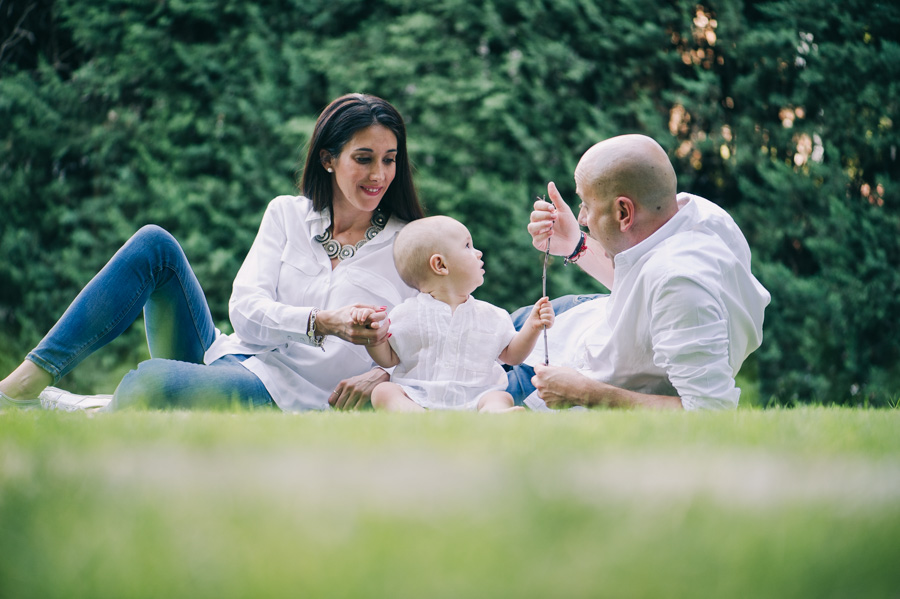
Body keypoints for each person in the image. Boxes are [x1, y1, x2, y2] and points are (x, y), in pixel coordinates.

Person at [0, 93, 425, 412]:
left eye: (389, 160)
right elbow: (244, 310)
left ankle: (94, 411)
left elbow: (442, 339)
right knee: (154, 245)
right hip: (229, 356)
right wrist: (319, 322)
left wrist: (383, 374)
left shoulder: (412, 243)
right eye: (364, 158)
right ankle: (18, 388)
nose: (379, 175)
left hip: (289, 393)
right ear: (328, 160)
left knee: (151, 380)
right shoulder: (287, 214)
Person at [507, 134, 770, 411]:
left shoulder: (681, 286)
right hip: (575, 320)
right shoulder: (700, 215)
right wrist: (575, 244)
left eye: (586, 205)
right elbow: (640, 282)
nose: (582, 219)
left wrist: (583, 392)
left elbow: (709, 411)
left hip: (564, 376)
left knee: (469, 389)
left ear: (623, 212)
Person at [355, 216, 554, 413]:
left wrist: (532, 326)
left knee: (501, 396)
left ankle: (492, 414)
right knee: (383, 391)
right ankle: (414, 415)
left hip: (476, 397)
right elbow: (388, 358)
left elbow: (512, 356)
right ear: (440, 265)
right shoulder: (405, 314)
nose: (478, 253)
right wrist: (372, 337)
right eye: (468, 246)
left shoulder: (492, 315)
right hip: (418, 394)